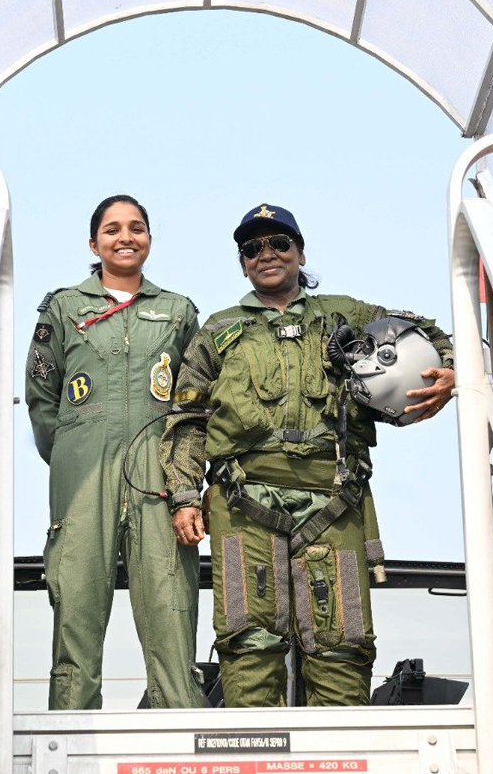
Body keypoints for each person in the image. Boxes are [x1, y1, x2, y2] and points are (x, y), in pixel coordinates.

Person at [159, 203, 455, 707]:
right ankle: (254, 749)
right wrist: (185, 495)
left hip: (334, 499)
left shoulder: (346, 316)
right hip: (242, 500)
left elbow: (423, 331)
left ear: (300, 251)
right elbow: (188, 417)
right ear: (243, 263)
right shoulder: (218, 331)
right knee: (247, 639)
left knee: (342, 642)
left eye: (279, 243)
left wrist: (449, 368)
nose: (267, 254)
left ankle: (340, 747)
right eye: (252, 248)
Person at [25, 195, 206, 710]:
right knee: (76, 607)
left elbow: (195, 402)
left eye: (136, 228)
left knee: (172, 607)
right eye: (112, 229)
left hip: (159, 478)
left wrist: (184, 481)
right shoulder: (63, 308)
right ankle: (69, 736)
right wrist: (74, 456)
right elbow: (41, 396)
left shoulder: (178, 312)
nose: (125, 237)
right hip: (83, 477)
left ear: (149, 238)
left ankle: (180, 732)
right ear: (93, 243)